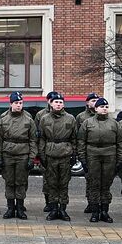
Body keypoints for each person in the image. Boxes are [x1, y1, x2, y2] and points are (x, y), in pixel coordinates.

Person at [77, 97, 122, 223]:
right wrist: (83, 159)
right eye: (101, 107)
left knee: (106, 185)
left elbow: (120, 143)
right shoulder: (88, 123)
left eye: (106, 107)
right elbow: (81, 142)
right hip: (92, 156)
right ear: (96, 108)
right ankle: (95, 211)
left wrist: (120, 160)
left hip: (109, 156)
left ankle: (104, 211)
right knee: (94, 185)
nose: (104, 109)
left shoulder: (114, 123)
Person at [0, 92, 36, 219]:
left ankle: (20, 209)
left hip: (23, 154)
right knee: (9, 182)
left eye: (20, 103)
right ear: (11, 104)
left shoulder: (28, 120)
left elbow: (33, 140)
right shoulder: (4, 119)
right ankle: (10, 208)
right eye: (16, 103)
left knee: (21, 182)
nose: (19, 105)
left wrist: (31, 158)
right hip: (8, 154)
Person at [39, 93, 77, 221]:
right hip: (50, 154)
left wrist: (74, 154)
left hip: (65, 154)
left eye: (61, 102)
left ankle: (63, 209)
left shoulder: (70, 118)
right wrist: (42, 155)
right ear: (51, 103)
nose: (58, 104)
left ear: (63, 104)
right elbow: (42, 138)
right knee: (52, 183)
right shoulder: (45, 119)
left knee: (64, 183)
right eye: (56, 102)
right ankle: (53, 208)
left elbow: (74, 138)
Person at [35, 91, 61, 213]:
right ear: (48, 101)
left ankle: (58, 203)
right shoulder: (41, 115)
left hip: (61, 152)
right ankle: (48, 202)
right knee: (47, 180)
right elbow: (39, 135)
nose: (55, 102)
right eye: (52, 100)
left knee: (60, 180)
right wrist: (40, 154)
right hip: (47, 152)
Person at [77, 92, 100, 213]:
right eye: (92, 100)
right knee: (89, 180)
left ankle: (99, 203)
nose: (95, 102)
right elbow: (78, 136)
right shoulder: (81, 117)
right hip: (88, 152)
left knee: (100, 181)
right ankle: (90, 202)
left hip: (102, 154)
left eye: (97, 100)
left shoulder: (103, 114)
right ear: (87, 102)